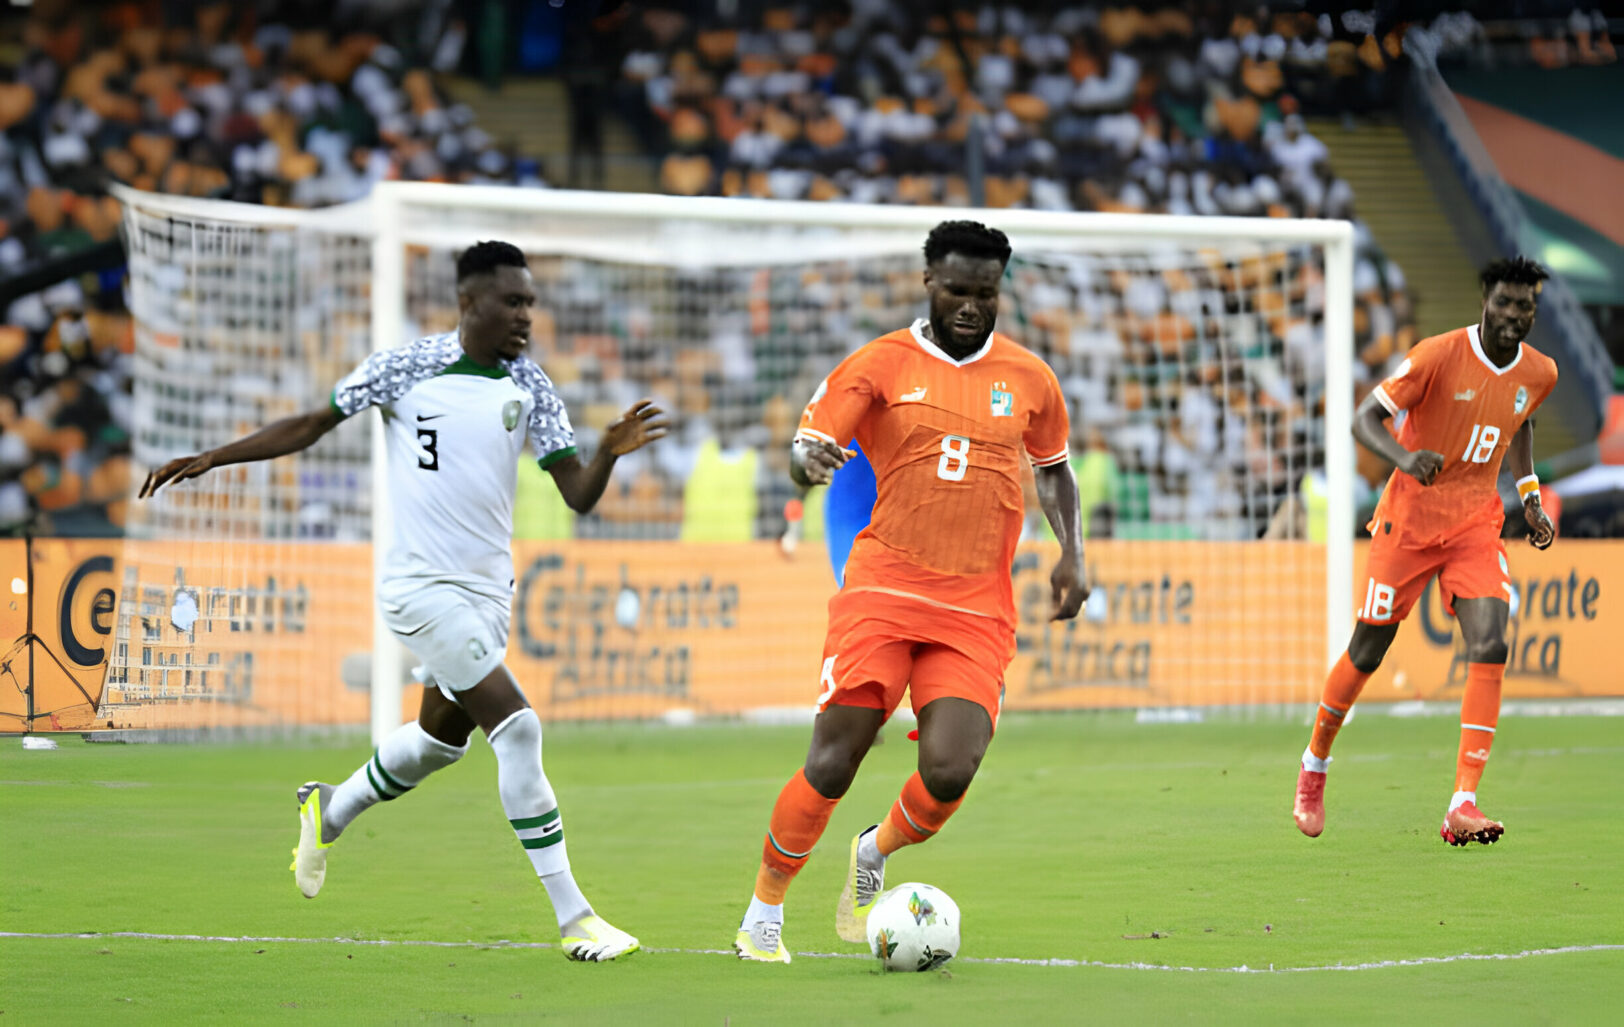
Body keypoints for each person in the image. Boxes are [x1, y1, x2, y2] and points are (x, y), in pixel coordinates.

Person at [139, 241, 668, 960]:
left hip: (487, 592)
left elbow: (575, 495)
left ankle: (328, 806)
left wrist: (606, 450)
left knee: (438, 744)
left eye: (530, 303)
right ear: (468, 302)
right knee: (517, 729)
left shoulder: (533, 386)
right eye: (512, 301)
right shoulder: (403, 366)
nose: (525, 316)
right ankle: (576, 917)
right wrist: (215, 457)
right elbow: (311, 424)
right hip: (420, 589)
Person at [733, 221, 1088, 962]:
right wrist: (809, 464)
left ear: (1000, 292)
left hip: (976, 607)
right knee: (834, 759)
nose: (969, 305)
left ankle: (875, 847)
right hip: (884, 590)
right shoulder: (881, 363)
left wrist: (1072, 553)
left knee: (950, 770)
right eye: (957, 289)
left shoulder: (1029, 377)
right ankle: (763, 913)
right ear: (929, 281)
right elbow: (806, 449)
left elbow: (1053, 467)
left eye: (984, 293)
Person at [1293, 256, 1557, 847]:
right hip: (1409, 523)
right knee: (1368, 649)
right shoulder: (1438, 355)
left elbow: (1523, 420)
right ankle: (1315, 764)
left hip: (1474, 524)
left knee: (1491, 641)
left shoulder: (1541, 372)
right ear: (1484, 302)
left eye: (1527, 306)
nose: (1517, 315)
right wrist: (1405, 460)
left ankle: (1462, 802)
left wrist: (1529, 496)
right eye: (1506, 304)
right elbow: (1364, 418)